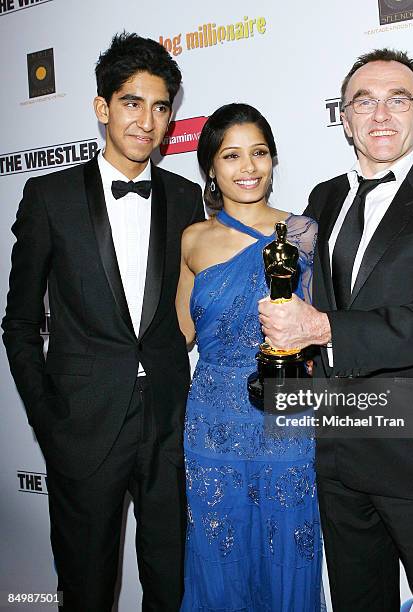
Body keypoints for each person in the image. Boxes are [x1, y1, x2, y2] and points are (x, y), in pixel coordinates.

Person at [258, 48, 413, 611]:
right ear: (345, 118)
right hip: (338, 453)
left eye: (398, 99)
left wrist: (319, 327)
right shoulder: (323, 199)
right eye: (363, 101)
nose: (380, 114)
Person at [2, 32, 205, 611]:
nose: (147, 120)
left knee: (171, 584)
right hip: (83, 429)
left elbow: (191, 311)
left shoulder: (187, 199)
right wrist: (47, 418)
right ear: (102, 107)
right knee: (86, 589)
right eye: (132, 102)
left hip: (168, 425)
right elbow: (19, 323)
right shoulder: (49, 197)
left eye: (161, 106)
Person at [175, 103, 322, 611]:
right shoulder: (192, 239)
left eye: (259, 153)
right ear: (211, 169)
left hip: (285, 418)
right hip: (212, 422)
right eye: (231, 155)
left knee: (290, 550)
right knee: (219, 554)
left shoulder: (301, 233)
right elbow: (178, 334)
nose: (248, 167)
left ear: (273, 160)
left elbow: (318, 328)